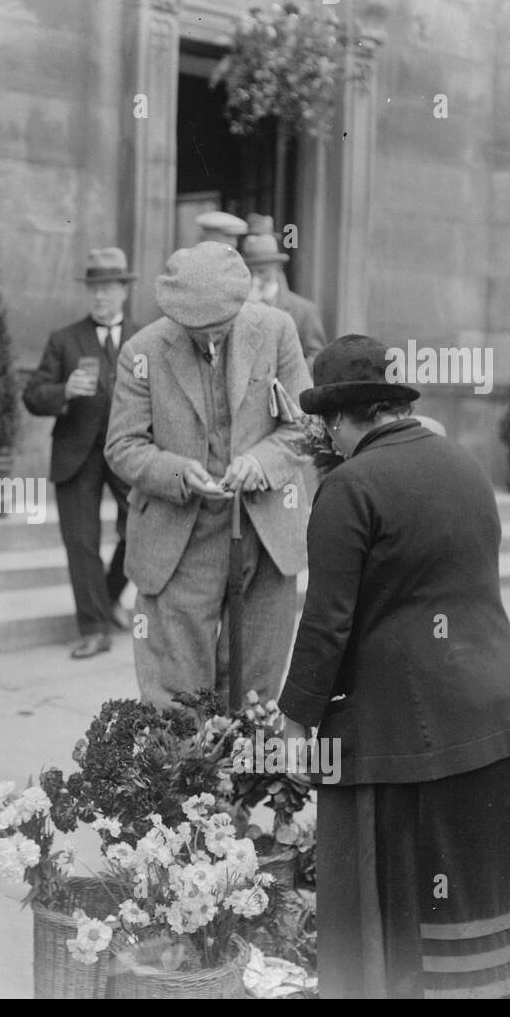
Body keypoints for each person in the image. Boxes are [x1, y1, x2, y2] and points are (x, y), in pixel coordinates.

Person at [278, 335, 510, 1000]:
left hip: (409, 736)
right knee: (486, 911)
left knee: (398, 937)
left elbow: (326, 622)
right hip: (500, 715)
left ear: (340, 419)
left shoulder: (348, 486)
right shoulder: (463, 463)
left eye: (327, 426)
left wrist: (294, 724)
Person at [105, 242, 310, 706]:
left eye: (219, 328)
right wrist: (176, 472)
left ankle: (245, 777)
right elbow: (122, 446)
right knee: (177, 696)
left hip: (266, 535)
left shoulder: (277, 331)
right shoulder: (142, 351)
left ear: (240, 306)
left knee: (254, 692)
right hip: (179, 540)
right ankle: (186, 777)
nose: (209, 340)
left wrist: (259, 462)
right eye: (195, 330)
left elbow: (305, 430)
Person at [23, 248, 140, 659]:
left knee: (141, 531)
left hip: (129, 452)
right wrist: (63, 391)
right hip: (76, 454)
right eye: (94, 288)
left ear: (124, 290)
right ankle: (93, 628)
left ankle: (107, 597)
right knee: (81, 542)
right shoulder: (65, 339)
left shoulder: (146, 339)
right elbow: (32, 395)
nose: (100, 297)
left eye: (108, 288)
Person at [241, 214, 327, 365]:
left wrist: (289, 373)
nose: (256, 279)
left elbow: (318, 360)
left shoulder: (304, 310)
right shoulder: (238, 307)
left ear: (276, 268)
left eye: (262, 271)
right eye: (250, 272)